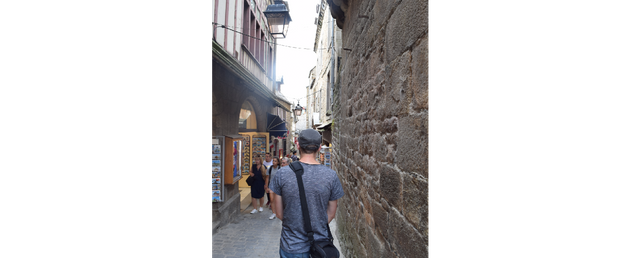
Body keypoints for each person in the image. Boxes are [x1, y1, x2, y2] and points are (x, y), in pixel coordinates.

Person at [269, 129, 345, 257]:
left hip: (291, 245)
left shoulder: (283, 174)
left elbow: (279, 213)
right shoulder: (331, 176)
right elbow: (331, 214)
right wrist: (316, 223)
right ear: (319, 147)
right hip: (320, 247)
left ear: (298, 145)